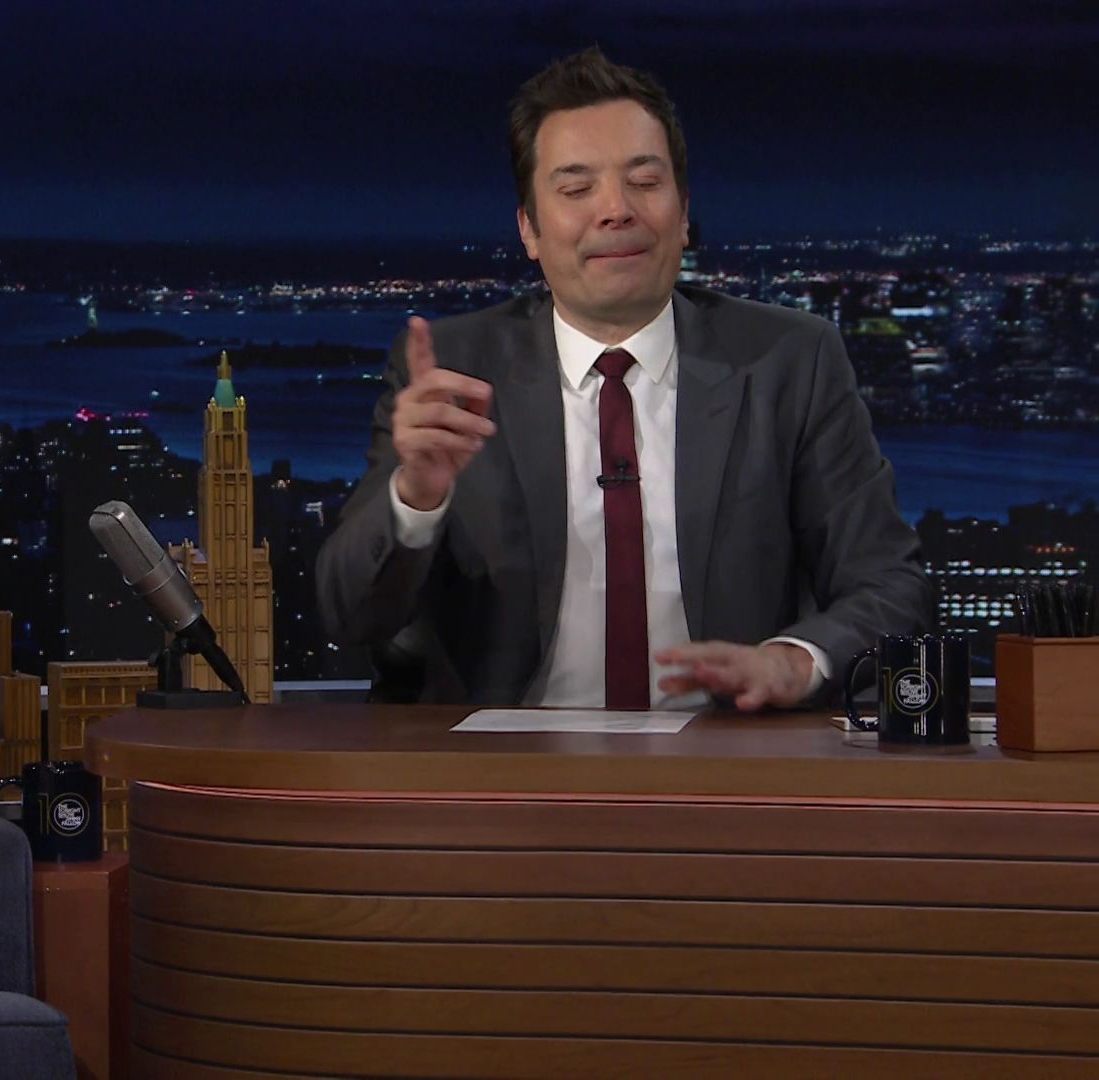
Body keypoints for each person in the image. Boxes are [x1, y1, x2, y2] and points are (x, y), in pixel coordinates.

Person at [317, 46, 931, 712]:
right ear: (529, 229)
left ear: (684, 212)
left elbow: (893, 589)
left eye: (644, 181)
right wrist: (416, 498)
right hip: (503, 760)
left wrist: (793, 661)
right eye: (576, 189)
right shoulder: (454, 370)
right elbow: (350, 616)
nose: (616, 209)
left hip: (726, 752)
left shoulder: (789, 360)